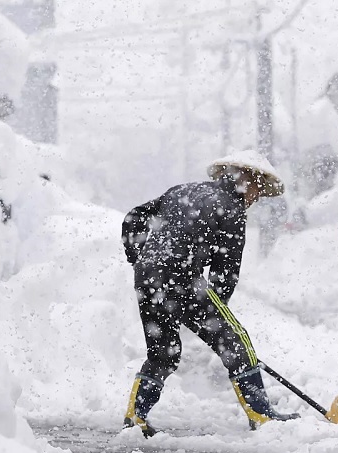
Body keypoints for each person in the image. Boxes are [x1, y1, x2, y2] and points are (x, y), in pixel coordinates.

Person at [120, 150, 299, 437]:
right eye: (258, 192)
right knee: (237, 341)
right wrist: (216, 318)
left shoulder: (182, 191)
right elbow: (225, 273)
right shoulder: (231, 208)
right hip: (183, 279)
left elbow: (134, 217)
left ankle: (135, 414)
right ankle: (261, 414)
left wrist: (139, 259)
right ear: (249, 181)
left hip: (148, 278)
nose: (255, 199)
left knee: (164, 353)